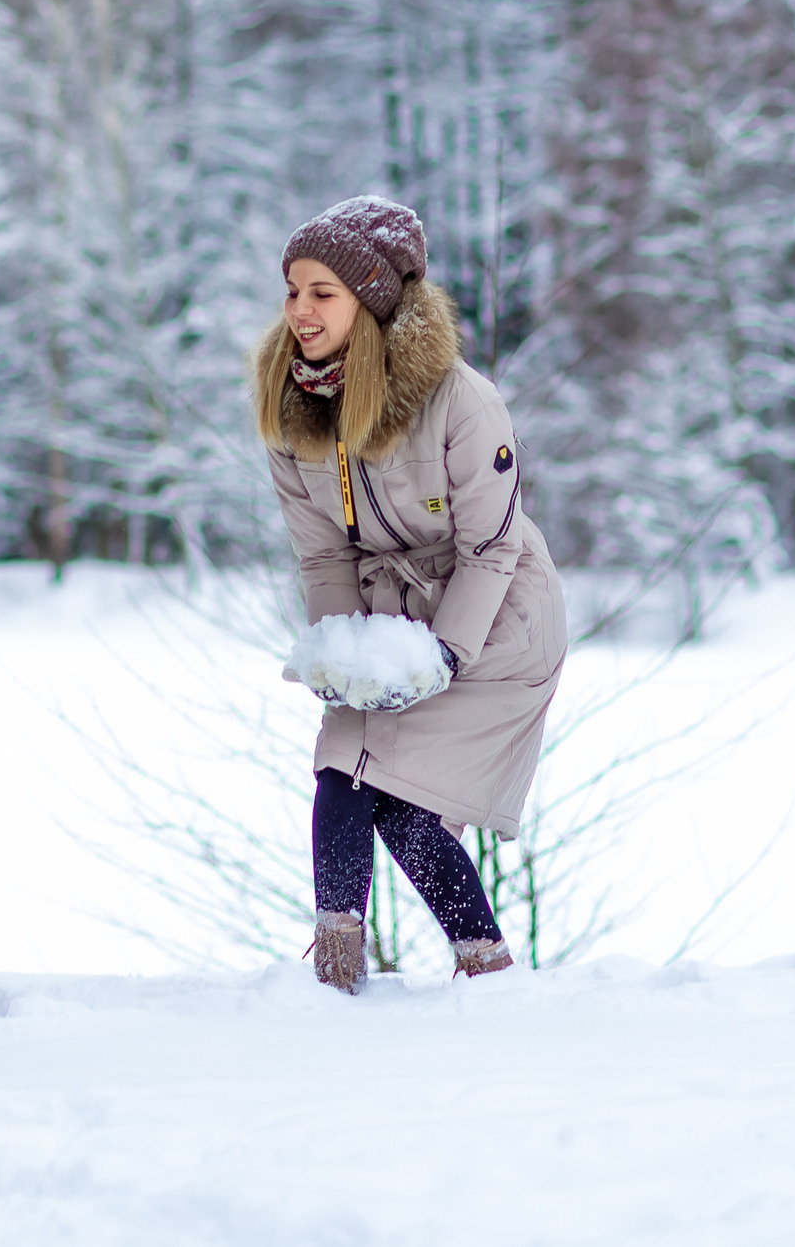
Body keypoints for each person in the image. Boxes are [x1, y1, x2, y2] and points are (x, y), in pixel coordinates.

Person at [254, 195, 567, 994]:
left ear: (372, 299)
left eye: (322, 292)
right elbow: (321, 550)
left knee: (401, 795)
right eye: (293, 289)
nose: (300, 309)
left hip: (495, 620)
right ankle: (335, 979)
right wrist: (339, 653)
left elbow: (492, 547)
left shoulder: (460, 401)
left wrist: (444, 654)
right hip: (387, 618)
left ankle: (487, 973)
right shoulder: (293, 407)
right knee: (343, 766)